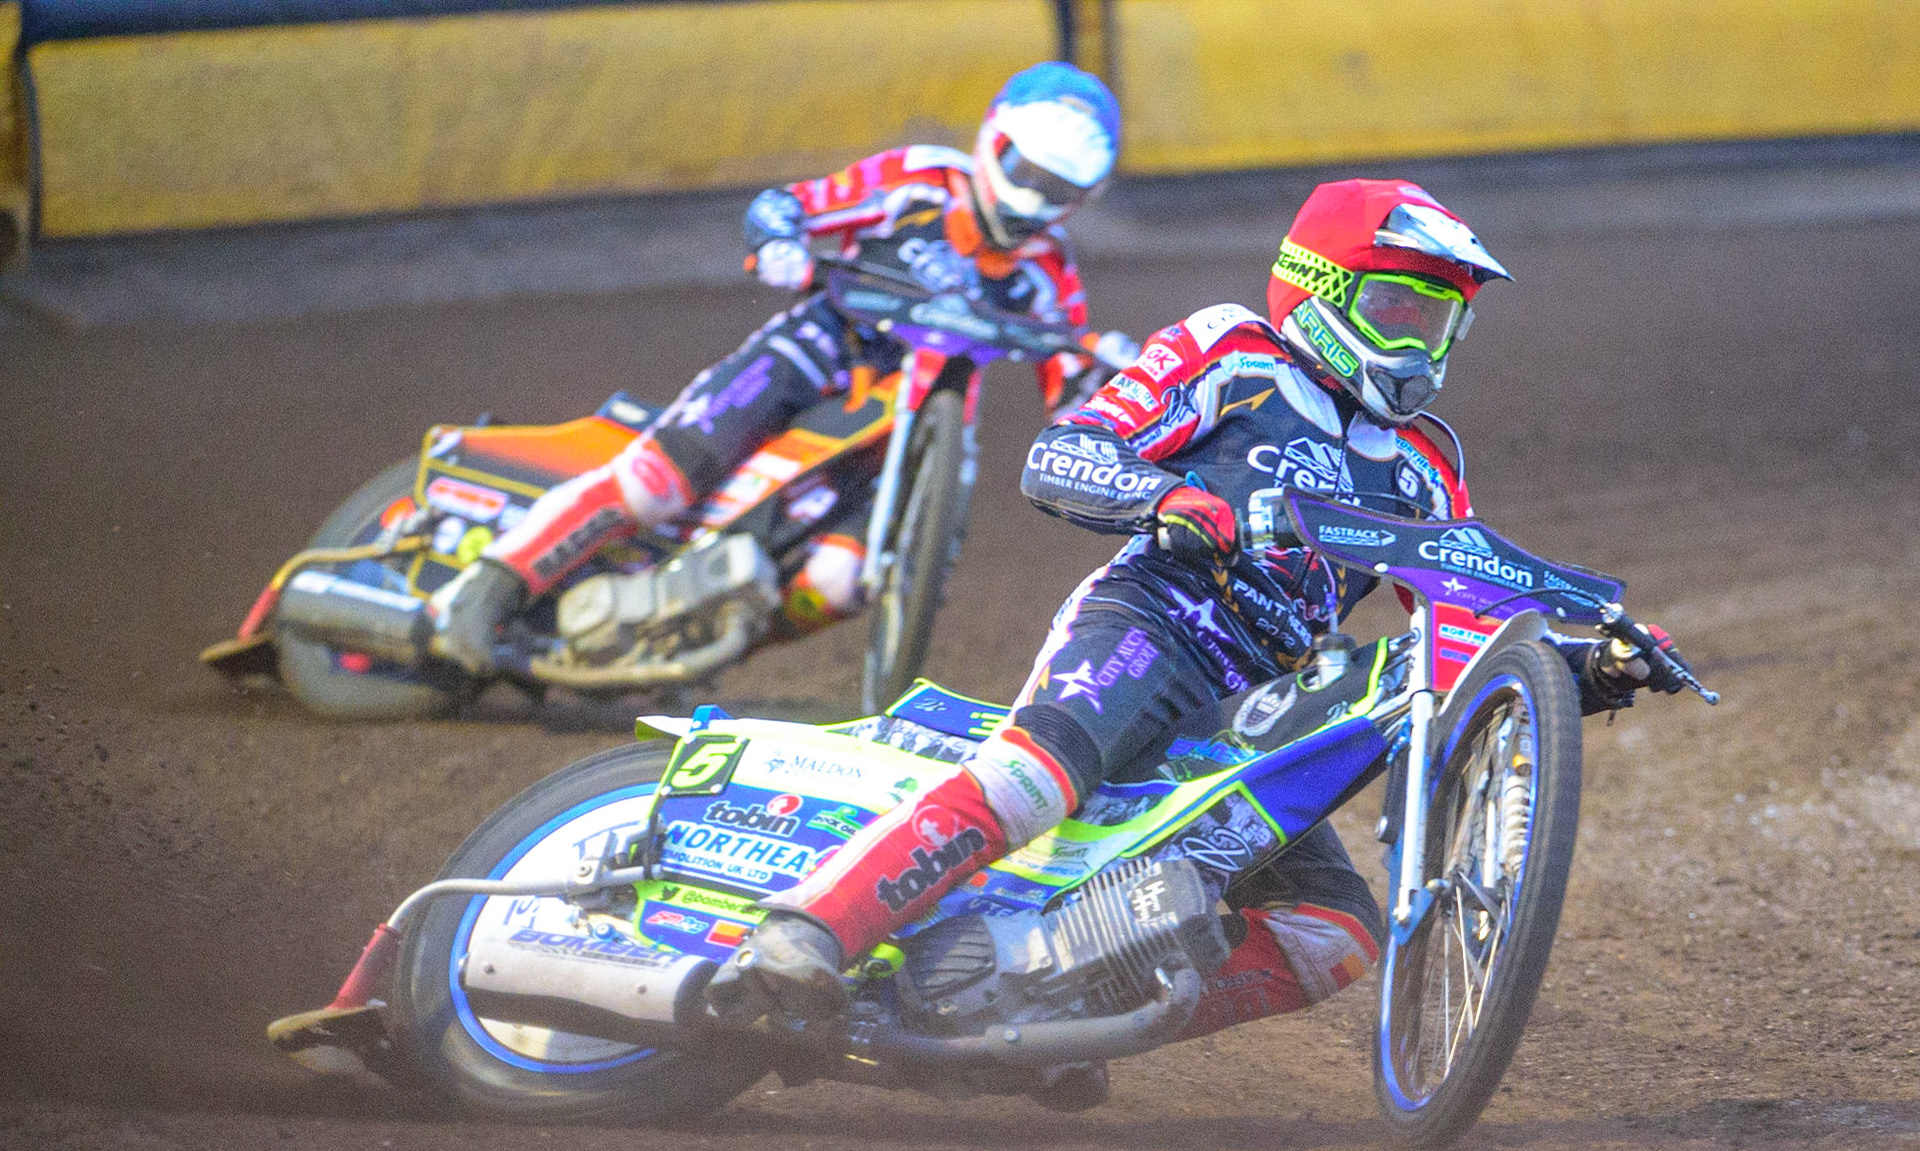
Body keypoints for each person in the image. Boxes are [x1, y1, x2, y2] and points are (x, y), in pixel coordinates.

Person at [706, 177, 1683, 1027]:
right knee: (1035, 776)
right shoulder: (1234, 352)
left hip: (1263, 708)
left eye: (1436, 323)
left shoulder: (1429, 462)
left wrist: (1576, 667)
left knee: (1334, 934)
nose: (1416, 344)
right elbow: (1065, 450)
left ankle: (1045, 1005)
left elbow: (1461, 627)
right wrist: (1164, 495)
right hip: (1154, 623)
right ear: (1323, 287)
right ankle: (807, 930)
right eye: (1396, 309)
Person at [427, 61, 1126, 672]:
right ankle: (489, 585)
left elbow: (1069, 392)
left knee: (841, 580)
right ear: (993, 139)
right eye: (1026, 172)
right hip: (819, 348)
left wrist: (1104, 378)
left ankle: (696, 645)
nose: (1033, 198)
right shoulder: (919, 181)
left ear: (1084, 198)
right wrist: (782, 238)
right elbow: (793, 205)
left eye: (1057, 189)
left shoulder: (1050, 271)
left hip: (915, 428)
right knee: (659, 483)